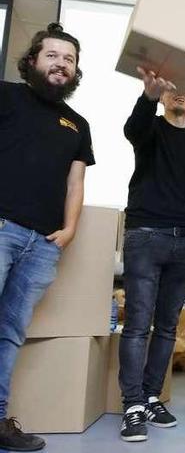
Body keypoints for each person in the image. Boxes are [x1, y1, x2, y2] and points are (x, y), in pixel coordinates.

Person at [0, 23, 94, 452]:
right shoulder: (6, 96)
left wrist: (70, 229)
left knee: (9, 332)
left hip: (42, 244)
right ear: (33, 60)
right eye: (53, 55)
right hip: (1, 229)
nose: (61, 63)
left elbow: (76, 185)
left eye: (69, 59)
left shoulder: (78, 124)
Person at [118, 67, 185, 442]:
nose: (180, 95)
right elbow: (132, 129)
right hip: (145, 236)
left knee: (168, 326)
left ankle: (152, 396)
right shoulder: (150, 129)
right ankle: (133, 405)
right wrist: (148, 96)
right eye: (173, 91)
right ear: (166, 97)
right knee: (139, 324)